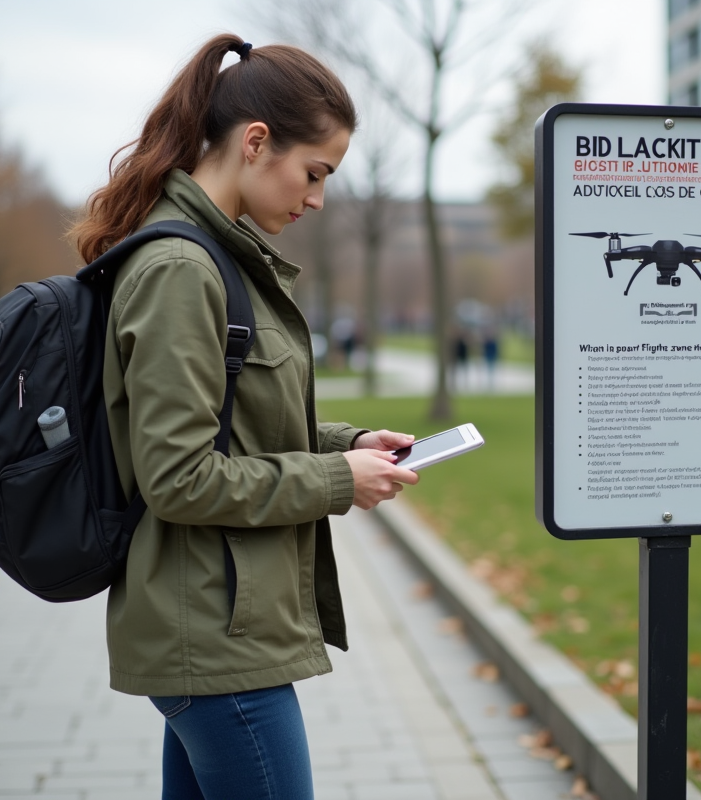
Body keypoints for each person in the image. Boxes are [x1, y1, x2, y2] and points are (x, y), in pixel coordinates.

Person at [68, 36, 418, 800]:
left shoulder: (217, 258)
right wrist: (336, 479)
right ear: (256, 142)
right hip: (213, 639)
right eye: (315, 172)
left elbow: (233, 424)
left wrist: (351, 445)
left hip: (216, 627)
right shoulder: (182, 271)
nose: (318, 197)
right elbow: (180, 479)